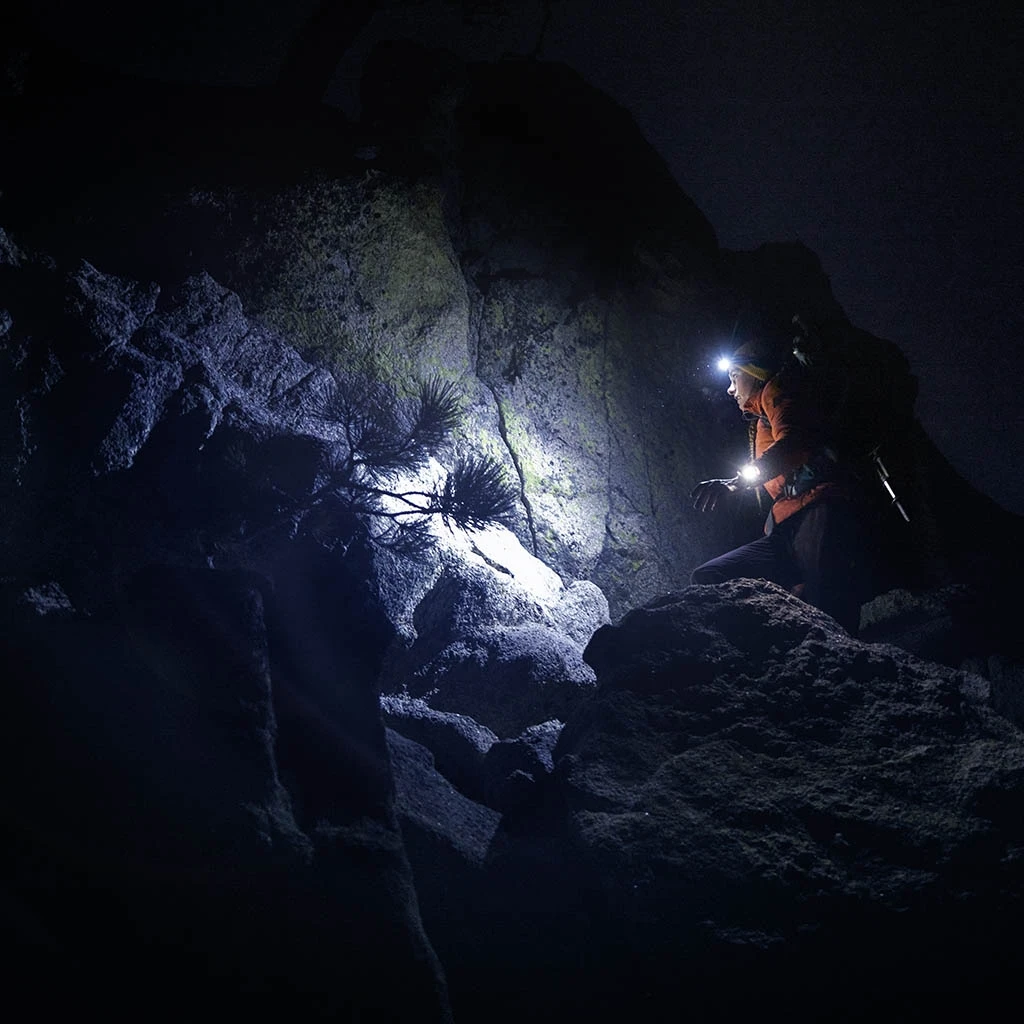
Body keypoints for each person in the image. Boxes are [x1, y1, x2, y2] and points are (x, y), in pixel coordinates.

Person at [689, 340, 873, 633]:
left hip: (818, 509)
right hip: (785, 526)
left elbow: (792, 445)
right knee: (710, 576)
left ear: (755, 374)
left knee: (825, 602)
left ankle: (843, 652)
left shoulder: (778, 391)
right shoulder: (761, 417)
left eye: (734, 377)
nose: (730, 389)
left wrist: (734, 484)